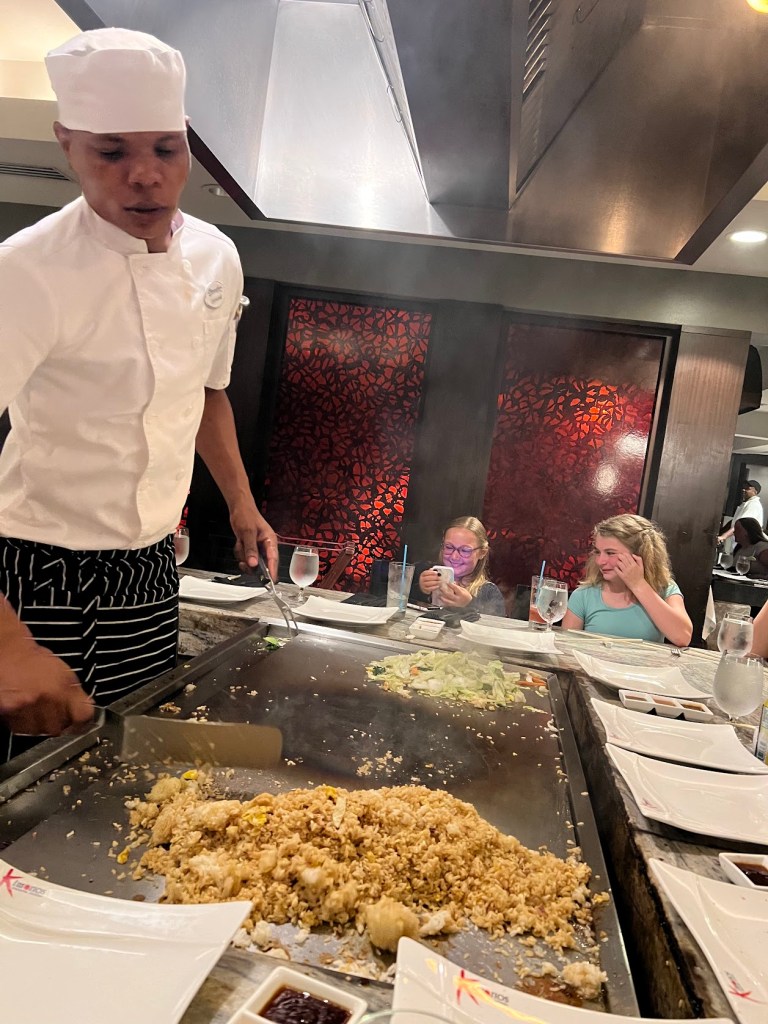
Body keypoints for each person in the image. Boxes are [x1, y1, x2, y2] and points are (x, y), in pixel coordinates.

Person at [0, 28, 277, 753]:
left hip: (152, 567)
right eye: (112, 152)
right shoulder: (25, 272)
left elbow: (205, 391)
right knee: (28, 785)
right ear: (67, 145)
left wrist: (241, 501)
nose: (145, 175)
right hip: (37, 569)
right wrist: (6, 645)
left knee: (133, 773)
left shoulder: (217, 257)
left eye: (165, 148)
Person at [561, 514, 692, 646]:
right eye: (598, 552)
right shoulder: (584, 595)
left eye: (610, 553)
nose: (600, 561)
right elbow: (566, 648)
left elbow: (683, 637)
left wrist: (638, 584)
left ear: (640, 555)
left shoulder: (666, 589)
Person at [410, 516, 506, 616]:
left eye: (465, 550)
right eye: (449, 547)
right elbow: (401, 601)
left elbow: (497, 624)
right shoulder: (422, 572)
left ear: (482, 553)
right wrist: (420, 589)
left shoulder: (489, 593)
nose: (454, 557)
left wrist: (469, 605)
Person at [718, 480, 764, 552]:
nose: (743, 490)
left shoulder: (754, 505)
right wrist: (721, 532)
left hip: (748, 545)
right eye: (744, 488)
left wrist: (724, 536)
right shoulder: (746, 504)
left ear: (755, 492)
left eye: (747, 488)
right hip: (740, 544)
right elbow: (735, 521)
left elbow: (741, 524)